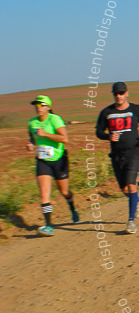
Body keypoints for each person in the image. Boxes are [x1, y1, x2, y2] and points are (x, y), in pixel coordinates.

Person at [95, 82, 139, 234]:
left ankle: (131, 221)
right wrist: (108, 136)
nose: (119, 96)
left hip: (134, 152)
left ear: (127, 93)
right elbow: (98, 131)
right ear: (113, 95)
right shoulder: (107, 112)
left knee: (131, 185)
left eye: (121, 93)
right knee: (124, 188)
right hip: (116, 155)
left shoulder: (136, 109)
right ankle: (137, 199)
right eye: (116, 94)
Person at [26, 95, 78, 235]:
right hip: (43, 161)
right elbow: (32, 137)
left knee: (64, 192)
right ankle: (48, 226)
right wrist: (31, 144)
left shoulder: (55, 119)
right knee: (44, 194)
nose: (39, 107)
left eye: (42, 105)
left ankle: (73, 207)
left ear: (48, 107)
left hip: (59, 159)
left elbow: (64, 138)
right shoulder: (32, 123)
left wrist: (46, 134)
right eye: (37, 105)